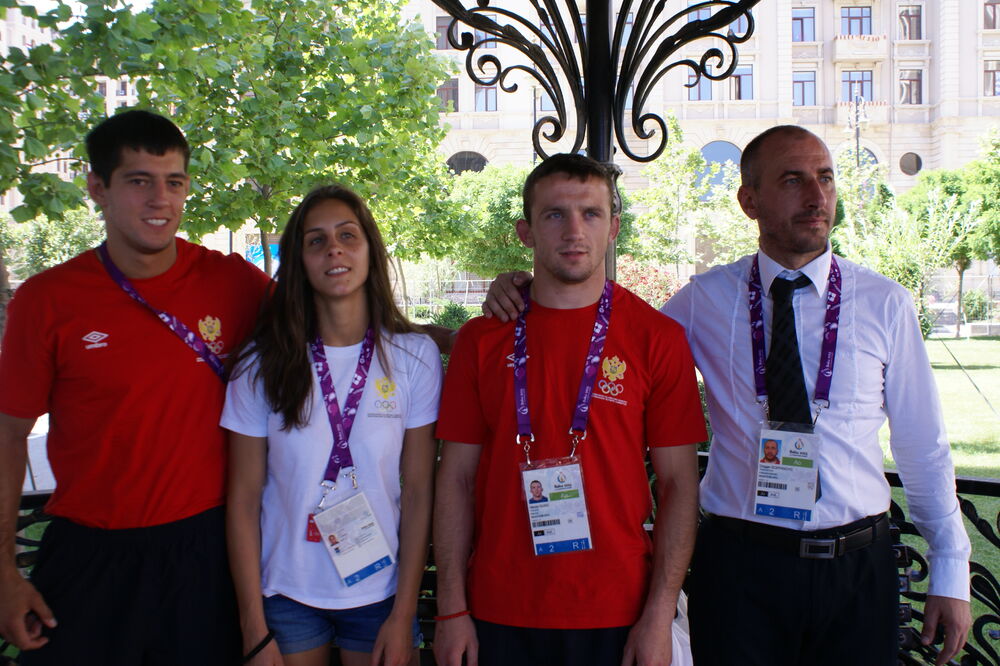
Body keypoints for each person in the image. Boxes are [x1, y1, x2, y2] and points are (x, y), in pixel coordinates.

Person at [482, 126, 972, 666]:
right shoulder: (702, 301)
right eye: (793, 180)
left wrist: (950, 566)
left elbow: (923, 446)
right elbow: (604, 333)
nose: (816, 195)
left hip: (857, 568)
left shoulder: (886, 304)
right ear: (749, 200)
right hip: (742, 570)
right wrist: (526, 291)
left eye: (825, 177)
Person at [0, 109, 268, 664]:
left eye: (173, 183)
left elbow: (340, 323)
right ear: (97, 187)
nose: (159, 200)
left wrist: (451, 331)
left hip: (207, 552)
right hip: (90, 554)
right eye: (139, 181)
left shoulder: (232, 281)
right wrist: (3, 571)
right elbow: (6, 441)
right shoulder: (47, 300)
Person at [434, 153, 706, 666]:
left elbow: (678, 486)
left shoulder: (657, 339)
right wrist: (451, 609)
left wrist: (659, 614)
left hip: (618, 610)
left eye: (592, 213)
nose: (574, 230)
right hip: (498, 607)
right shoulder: (480, 341)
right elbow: (456, 480)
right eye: (555, 214)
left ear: (614, 228)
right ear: (526, 231)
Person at [222, 185, 440, 666]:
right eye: (316, 240)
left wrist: (404, 615)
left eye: (348, 235)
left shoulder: (414, 358)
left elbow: (422, 489)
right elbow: (241, 499)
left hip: (381, 592)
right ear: (298, 260)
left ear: (370, 250)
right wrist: (252, 626)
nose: (334, 248)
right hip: (286, 592)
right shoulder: (260, 364)